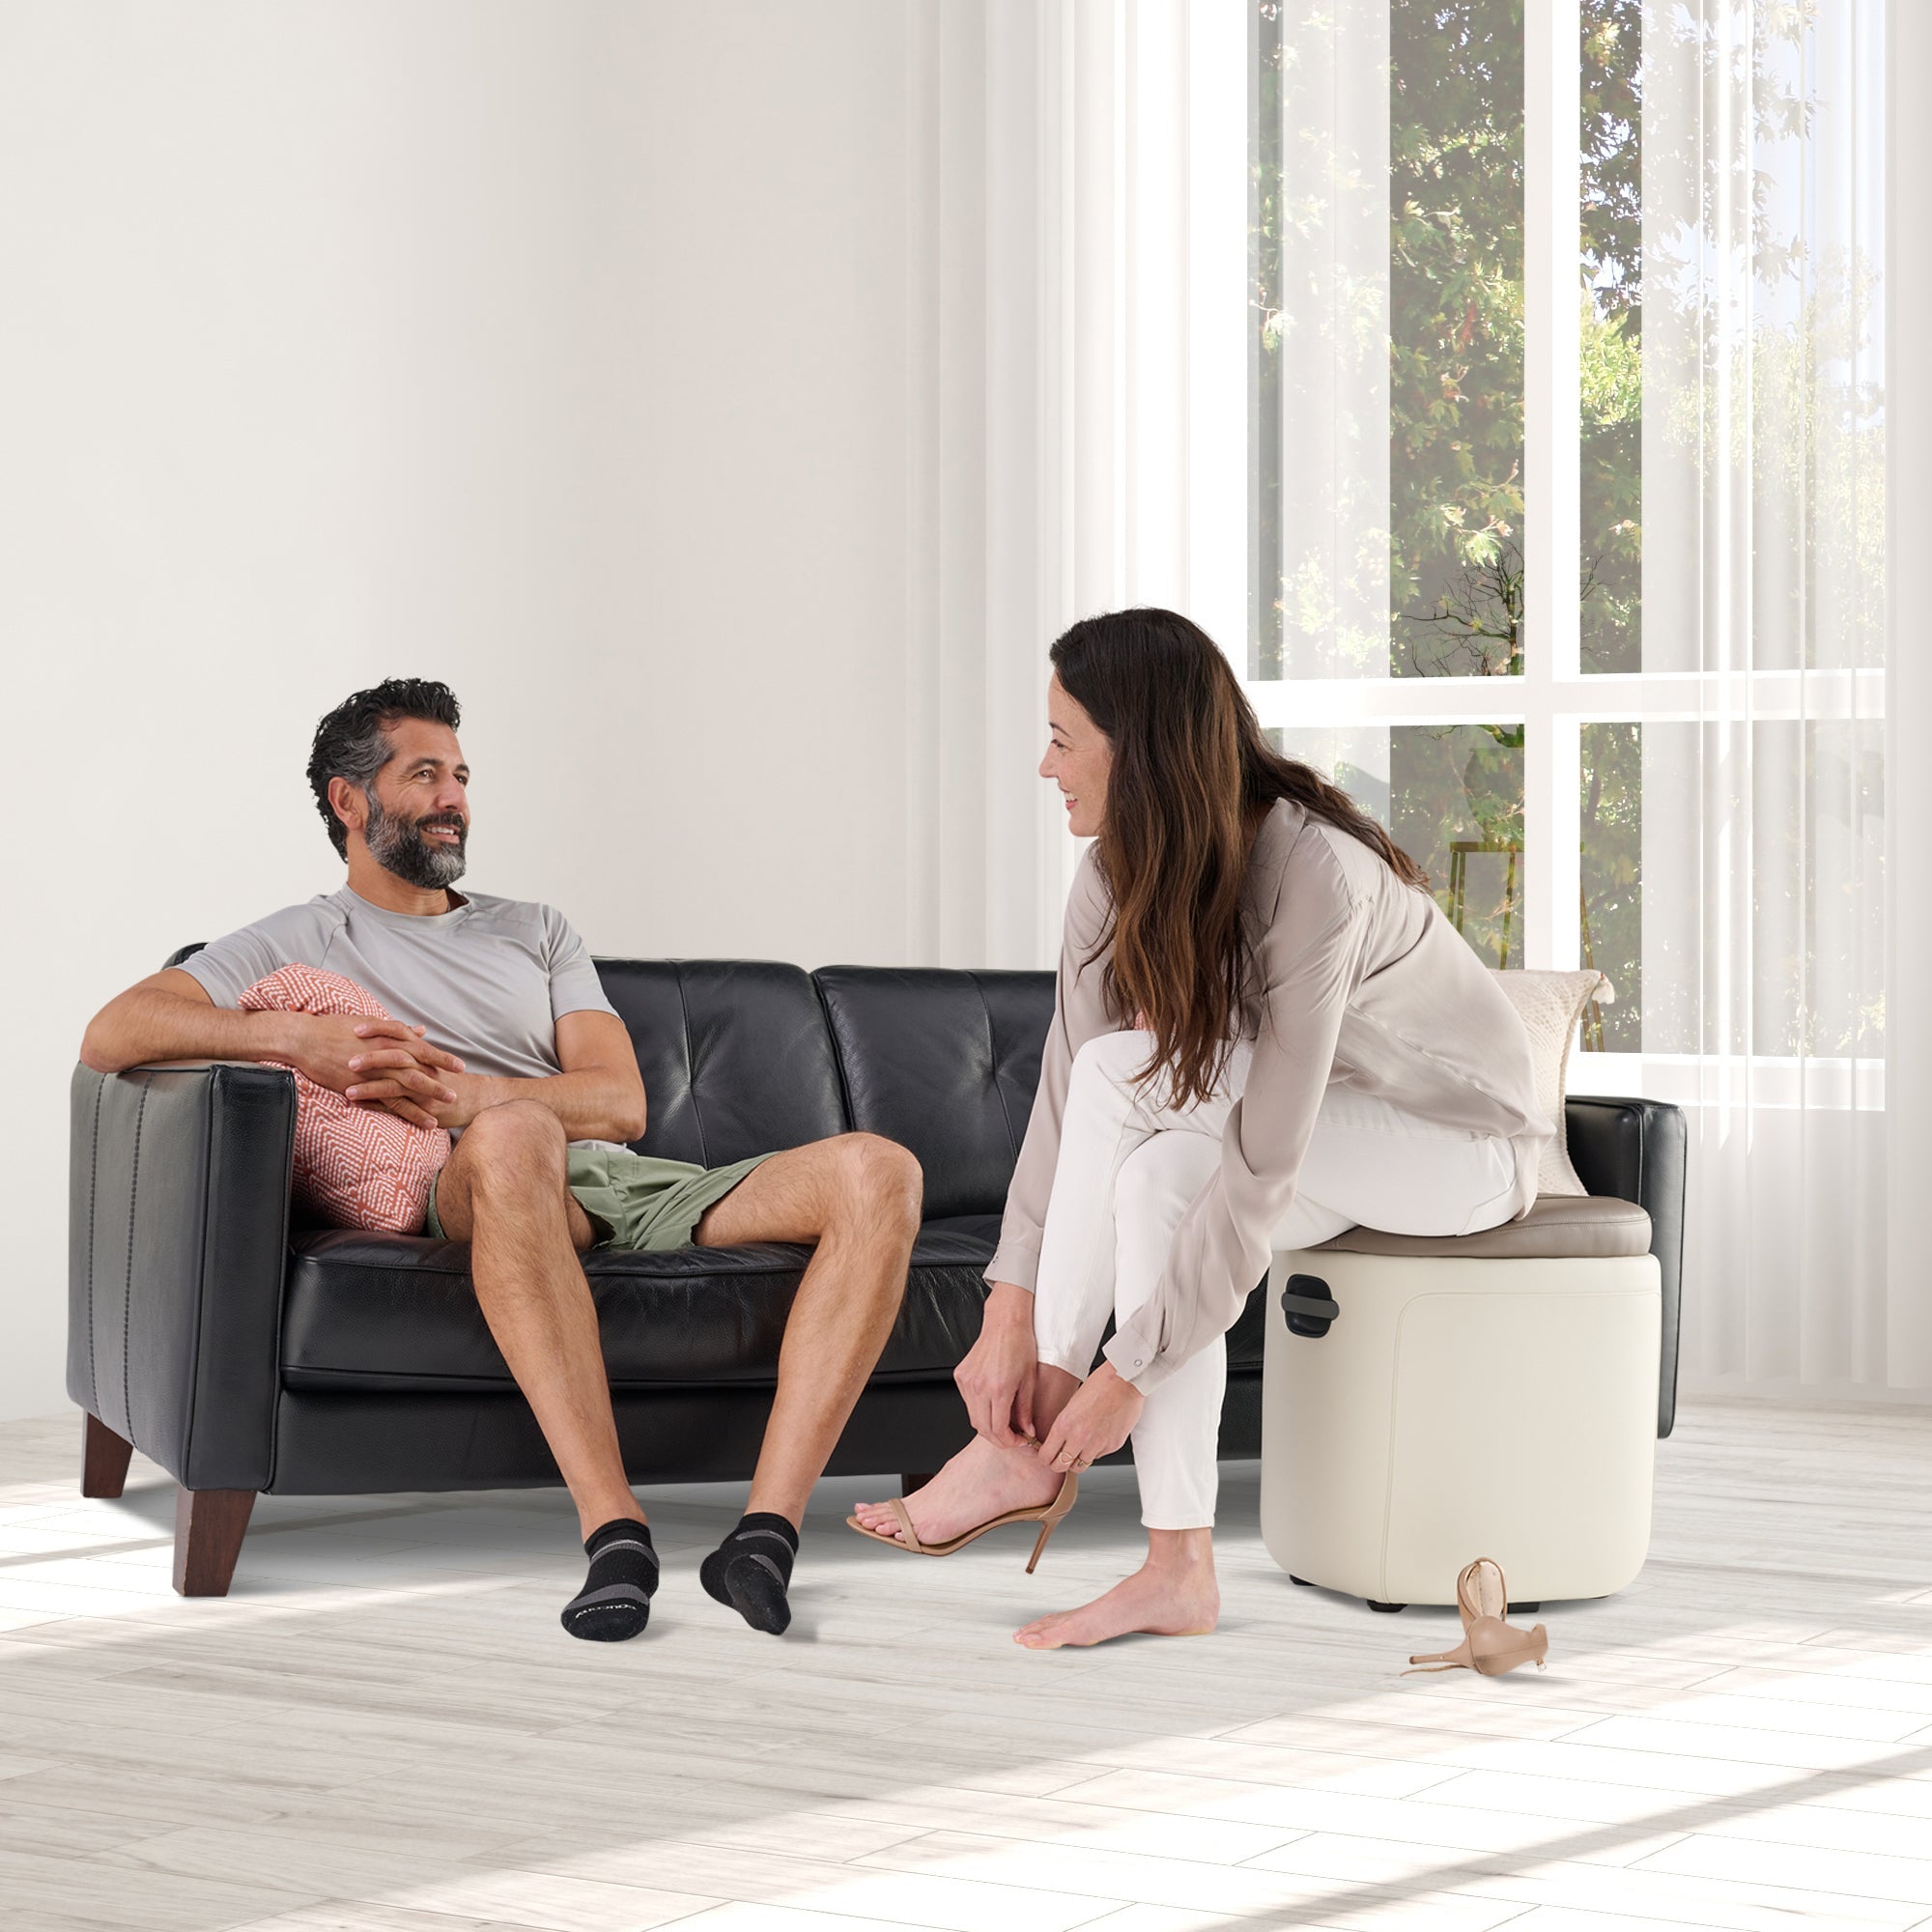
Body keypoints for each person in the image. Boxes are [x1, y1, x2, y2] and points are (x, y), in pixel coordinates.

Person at [81, 678, 921, 1643]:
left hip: (620, 1179)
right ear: (347, 801)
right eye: (424, 773)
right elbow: (114, 1029)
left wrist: (473, 1091)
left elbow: (618, 1100)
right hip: (473, 1178)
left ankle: (763, 1536)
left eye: (462, 775)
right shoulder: (299, 935)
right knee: (518, 1136)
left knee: (879, 1168)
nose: (453, 798)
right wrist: (293, 1041)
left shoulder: (536, 928)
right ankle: (615, 1528)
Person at [852, 609, 1546, 1649]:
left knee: (1135, 1082)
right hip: (1322, 1132)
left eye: (1060, 738)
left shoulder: (1315, 874)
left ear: (1137, 751)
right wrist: (1004, 1305)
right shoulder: (1111, 877)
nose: (1044, 767)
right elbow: (1066, 1096)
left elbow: (1263, 1156)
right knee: (1152, 1183)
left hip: (1456, 1144)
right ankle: (1177, 1565)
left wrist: (1120, 1373)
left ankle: (1022, 1446)